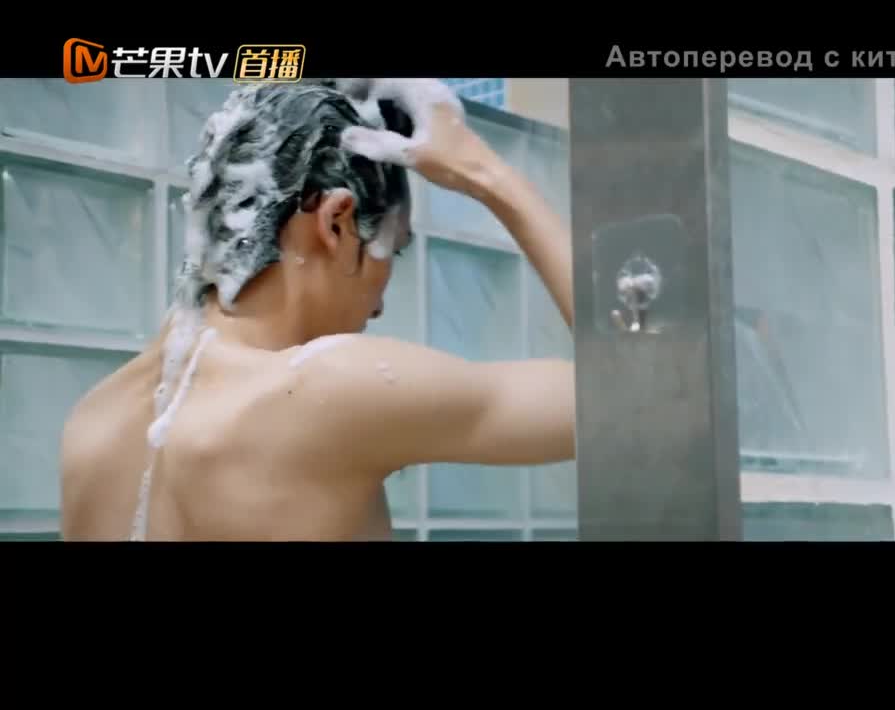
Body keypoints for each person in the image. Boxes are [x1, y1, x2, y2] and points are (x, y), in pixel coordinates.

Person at [57, 79, 576, 541]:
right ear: (336, 221)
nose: (380, 305)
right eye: (392, 251)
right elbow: (609, 397)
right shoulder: (329, 390)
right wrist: (486, 174)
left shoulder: (94, 419)